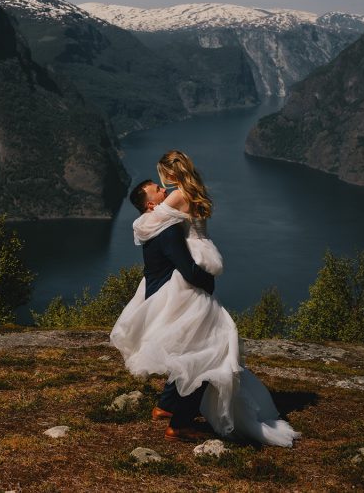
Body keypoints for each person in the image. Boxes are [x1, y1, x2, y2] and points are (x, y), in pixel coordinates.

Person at [110, 150, 300, 446]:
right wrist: (204, 281)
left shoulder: (172, 204)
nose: (163, 189)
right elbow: (175, 247)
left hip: (187, 279)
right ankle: (179, 423)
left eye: (161, 182)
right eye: (158, 190)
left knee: (193, 345)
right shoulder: (179, 207)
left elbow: (150, 228)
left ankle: (167, 406)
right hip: (192, 279)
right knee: (207, 349)